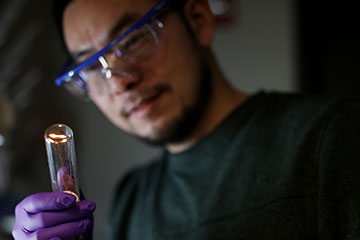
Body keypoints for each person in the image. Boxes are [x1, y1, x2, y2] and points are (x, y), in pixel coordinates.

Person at [12, 0, 360, 239]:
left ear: (198, 19)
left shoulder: (333, 139)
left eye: (132, 40)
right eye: (90, 67)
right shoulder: (131, 199)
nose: (119, 80)